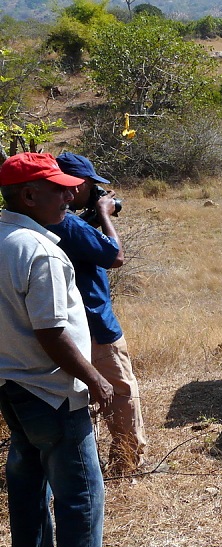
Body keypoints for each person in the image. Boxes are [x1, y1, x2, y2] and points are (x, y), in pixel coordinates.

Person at [0, 152, 110, 547]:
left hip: (11, 386)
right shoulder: (41, 251)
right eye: (58, 188)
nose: (70, 195)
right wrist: (96, 381)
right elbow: (52, 334)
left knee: (26, 479)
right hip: (52, 392)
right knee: (81, 498)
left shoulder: (5, 238)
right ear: (29, 194)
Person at [47, 152, 146, 475]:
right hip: (95, 323)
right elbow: (114, 256)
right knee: (121, 391)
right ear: (74, 186)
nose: (96, 192)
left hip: (57, 327)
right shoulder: (71, 223)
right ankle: (126, 465)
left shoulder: (40, 219)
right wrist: (104, 213)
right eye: (92, 186)